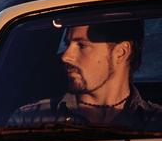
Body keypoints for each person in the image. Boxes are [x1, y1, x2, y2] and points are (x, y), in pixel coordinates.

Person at [8, 19, 162, 129]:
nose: (65, 56)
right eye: (68, 44)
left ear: (120, 53)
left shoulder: (156, 123)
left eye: (81, 45)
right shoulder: (31, 120)